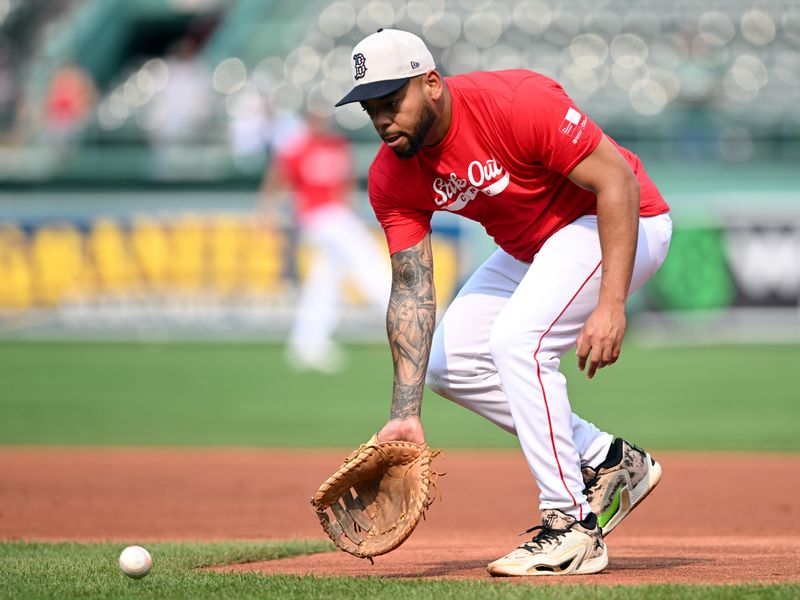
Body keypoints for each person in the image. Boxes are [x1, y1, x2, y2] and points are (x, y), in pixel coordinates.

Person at [334, 29, 672, 576]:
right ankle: (607, 459)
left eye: (393, 101)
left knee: (518, 340)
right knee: (450, 363)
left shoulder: (517, 104)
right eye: (371, 109)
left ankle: (572, 526)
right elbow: (413, 287)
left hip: (623, 223)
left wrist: (611, 303)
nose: (382, 120)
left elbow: (618, 184)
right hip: (535, 248)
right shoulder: (390, 173)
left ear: (433, 84)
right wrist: (404, 414)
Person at [260, 112, 390, 373]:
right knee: (365, 256)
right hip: (315, 216)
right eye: (315, 118)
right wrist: (267, 209)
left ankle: (307, 343)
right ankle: (399, 312)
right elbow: (276, 177)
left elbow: (345, 187)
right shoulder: (299, 146)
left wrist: (353, 215)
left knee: (326, 279)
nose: (320, 122)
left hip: (337, 215)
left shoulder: (338, 145)